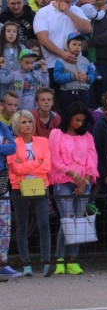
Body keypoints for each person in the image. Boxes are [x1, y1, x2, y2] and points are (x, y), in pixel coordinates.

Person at [49, 102, 98, 275]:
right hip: (63, 180)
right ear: (69, 117)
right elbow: (55, 160)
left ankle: (72, 260)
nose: (79, 123)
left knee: (79, 220)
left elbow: (92, 160)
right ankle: (59, 259)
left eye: (82, 121)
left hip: (84, 181)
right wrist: (74, 175)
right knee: (68, 219)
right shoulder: (56, 134)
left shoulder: (88, 136)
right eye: (77, 120)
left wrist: (85, 180)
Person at [7, 110, 54, 276]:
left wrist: (25, 166)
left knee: (44, 223)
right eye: (23, 122)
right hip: (19, 187)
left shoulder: (43, 142)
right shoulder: (13, 144)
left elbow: (46, 166)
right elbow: (15, 168)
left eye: (29, 121)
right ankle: (26, 264)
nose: (28, 125)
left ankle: (46, 261)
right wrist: (36, 163)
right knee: (22, 225)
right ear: (17, 125)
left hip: (40, 186)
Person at [34, 0, 91, 93]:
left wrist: (68, 12)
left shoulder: (75, 10)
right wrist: (62, 54)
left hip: (75, 66)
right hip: (52, 65)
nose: (69, 5)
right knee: (55, 97)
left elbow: (87, 28)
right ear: (56, 0)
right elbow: (43, 39)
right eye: (67, 2)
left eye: (71, 2)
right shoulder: (43, 13)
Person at [0, 105, 18, 280]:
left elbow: (13, 147)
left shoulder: (2, 126)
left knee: (4, 221)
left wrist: (4, 148)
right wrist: (2, 147)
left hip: (1, 177)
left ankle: (2, 263)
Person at [54, 33, 96, 107]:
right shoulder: (60, 61)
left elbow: (92, 74)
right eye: (74, 44)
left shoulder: (85, 60)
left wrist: (87, 78)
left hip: (84, 92)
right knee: (69, 112)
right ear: (67, 45)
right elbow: (57, 77)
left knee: (83, 111)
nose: (77, 47)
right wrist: (73, 76)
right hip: (68, 93)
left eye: (79, 45)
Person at [0, 21, 25, 99]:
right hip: (3, 84)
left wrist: (38, 63)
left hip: (17, 83)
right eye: (8, 31)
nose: (12, 33)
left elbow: (29, 62)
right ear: (3, 33)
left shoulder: (22, 47)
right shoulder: (1, 48)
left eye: (14, 31)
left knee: (16, 101)